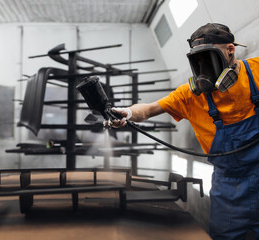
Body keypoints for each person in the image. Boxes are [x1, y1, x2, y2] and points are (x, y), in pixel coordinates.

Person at [111, 23, 259, 239]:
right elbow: (150, 109)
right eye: (198, 61)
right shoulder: (190, 96)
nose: (205, 68)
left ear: (230, 50)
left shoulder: (256, 71)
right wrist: (128, 113)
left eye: (210, 58)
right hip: (229, 187)